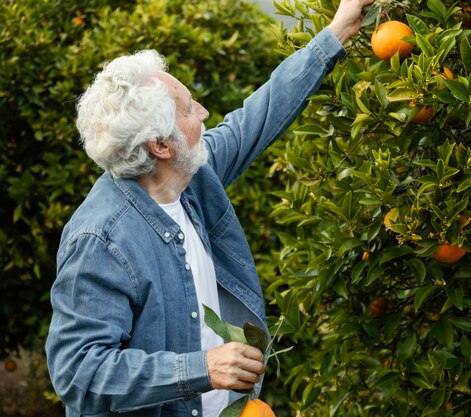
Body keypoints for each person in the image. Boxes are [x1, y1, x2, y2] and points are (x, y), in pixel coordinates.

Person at [45, 0, 373, 416]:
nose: (203, 112)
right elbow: (79, 374)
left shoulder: (189, 178)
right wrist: (201, 369)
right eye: (188, 109)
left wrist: (338, 31)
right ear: (160, 146)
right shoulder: (101, 240)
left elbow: (256, 117)